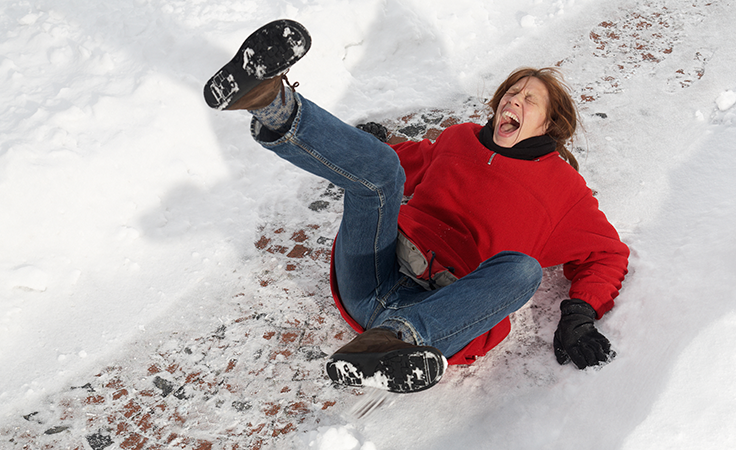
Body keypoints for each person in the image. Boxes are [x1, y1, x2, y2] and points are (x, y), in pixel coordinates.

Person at [204, 19, 629, 394]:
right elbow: (407, 163)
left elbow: (608, 253)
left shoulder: (564, 190)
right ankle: (271, 102)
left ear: (549, 123)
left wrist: (579, 313)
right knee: (382, 172)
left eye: (529, 99)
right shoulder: (460, 138)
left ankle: (391, 346)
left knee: (523, 270)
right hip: (372, 278)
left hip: (440, 318)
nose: (513, 100)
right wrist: (374, 148)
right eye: (511, 92)